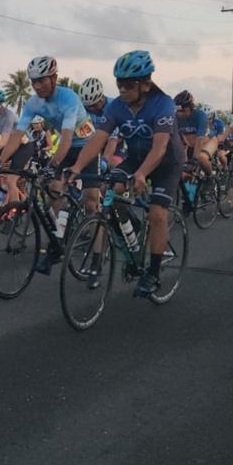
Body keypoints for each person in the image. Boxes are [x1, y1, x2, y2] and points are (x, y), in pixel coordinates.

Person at [68, 50, 179, 297]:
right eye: (119, 84)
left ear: (146, 84)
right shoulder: (117, 106)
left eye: (128, 85)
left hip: (165, 162)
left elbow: (160, 147)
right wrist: (76, 167)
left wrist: (141, 174)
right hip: (136, 158)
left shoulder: (163, 104)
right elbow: (98, 138)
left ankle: (153, 272)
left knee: (157, 213)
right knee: (112, 194)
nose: (122, 90)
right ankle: (132, 243)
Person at [0, 55, 98, 273]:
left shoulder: (68, 98)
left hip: (86, 146)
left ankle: (96, 251)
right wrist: (1, 161)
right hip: (67, 147)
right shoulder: (33, 103)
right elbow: (17, 134)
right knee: (53, 191)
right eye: (33, 82)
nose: (37, 86)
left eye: (42, 80)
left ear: (54, 78)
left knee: (91, 200)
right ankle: (57, 244)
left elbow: (67, 139)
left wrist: (54, 162)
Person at [78, 77, 123, 168]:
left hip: (115, 143)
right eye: (88, 107)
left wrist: (105, 160)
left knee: (115, 164)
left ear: (101, 98)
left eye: (93, 105)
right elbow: (85, 138)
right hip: (94, 142)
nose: (91, 109)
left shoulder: (113, 106)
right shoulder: (83, 109)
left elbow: (112, 139)